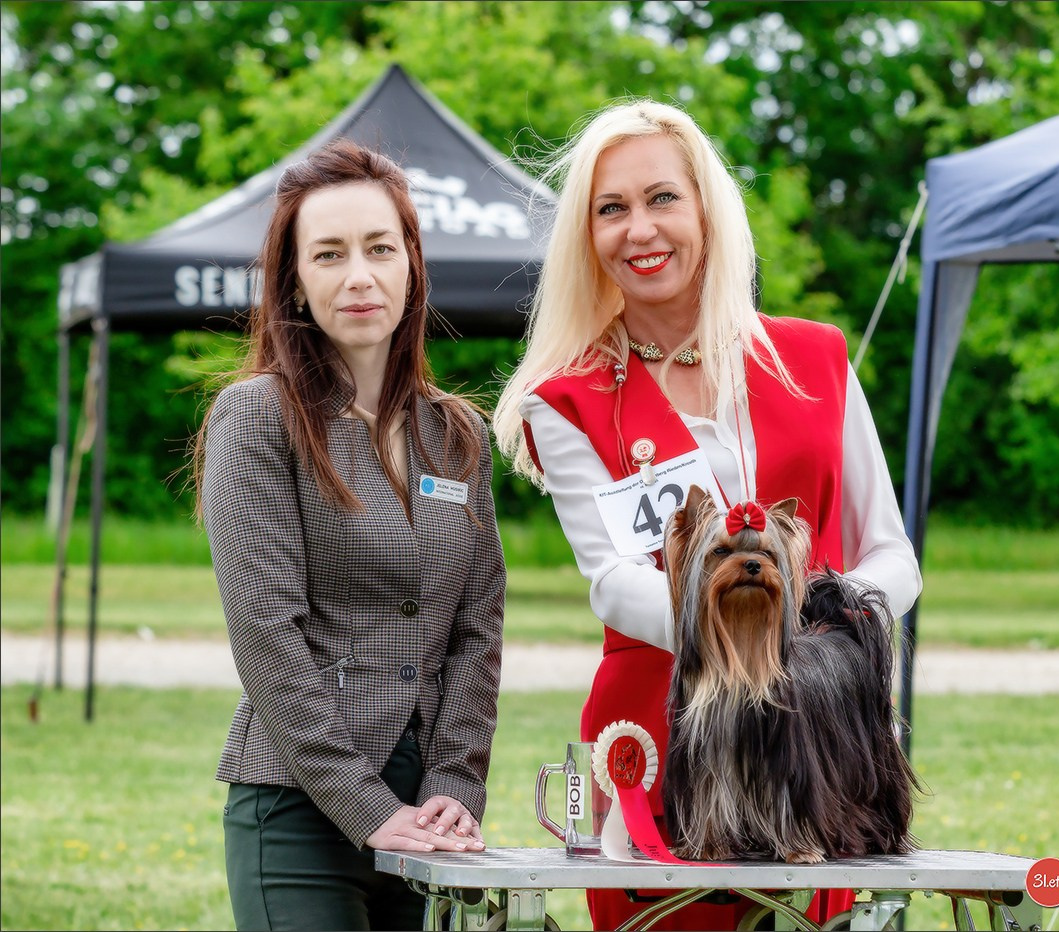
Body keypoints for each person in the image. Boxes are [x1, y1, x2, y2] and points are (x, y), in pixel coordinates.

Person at [494, 100, 922, 930]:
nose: (639, 229)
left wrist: (811, 637)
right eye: (609, 209)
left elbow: (891, 553)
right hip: (659, 734)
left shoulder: (816, 359)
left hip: (812, 740)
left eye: (662, 199)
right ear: (585, 238)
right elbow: (615, 583)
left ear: (707, 210)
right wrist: (732, 631)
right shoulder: (569, 399)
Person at [195, 139, 506, 932]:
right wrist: (363, 805)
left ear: (412, 262)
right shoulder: (258, 417)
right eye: (328, 254)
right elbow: (266, 631)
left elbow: (477, 628)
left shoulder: (458, 435)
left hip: (427, 813)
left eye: (379, 248)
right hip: (298, 805)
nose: (358, 276)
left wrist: (455, 786)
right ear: (295, 281)